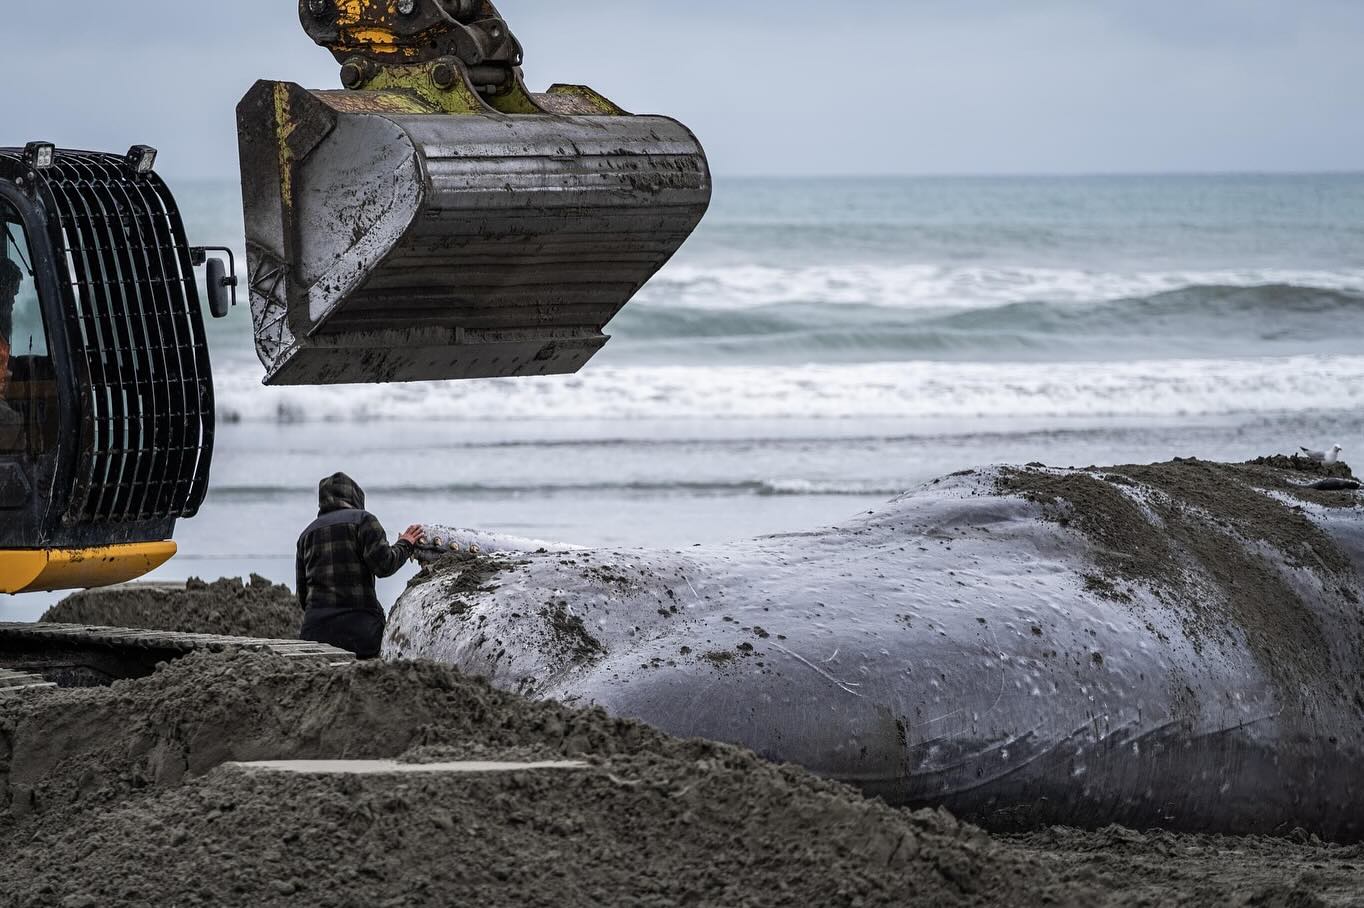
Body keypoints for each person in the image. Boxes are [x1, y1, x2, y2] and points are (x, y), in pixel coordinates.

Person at [296, 472, 423, 659]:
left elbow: (303, 596)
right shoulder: (364, 520)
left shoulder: (306, 534)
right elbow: (384, 565)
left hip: (315, 633)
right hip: (360, 633)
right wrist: (405, 544)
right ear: (355, 496)